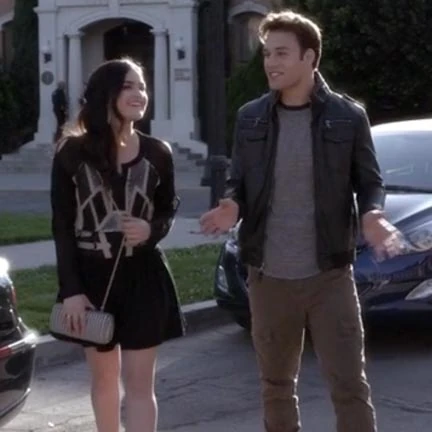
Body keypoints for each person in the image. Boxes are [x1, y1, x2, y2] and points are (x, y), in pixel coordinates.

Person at [200, 9, 402, 432]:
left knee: (349, 385)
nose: (270, 63)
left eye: (281, 53)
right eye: (267, 53)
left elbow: (370, 181)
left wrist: (373, 214)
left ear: (309, 57)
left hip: (329, 276)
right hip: (268, 278)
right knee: (275, 386)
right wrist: (231, 205)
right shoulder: (251, 116)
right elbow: (239, 182)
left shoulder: (347, 117)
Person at [50, 58, 185, 432]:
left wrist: (150, 230)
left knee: (141, 387)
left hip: (144, 278)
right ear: (105, 94)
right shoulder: (71, 153)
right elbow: (61, 226)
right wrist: (71, 291)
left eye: (142, 86)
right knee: (105, 381)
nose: (140, 94)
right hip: (92, 279)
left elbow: (168, 207)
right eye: (128, 86)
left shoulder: (158, 152)